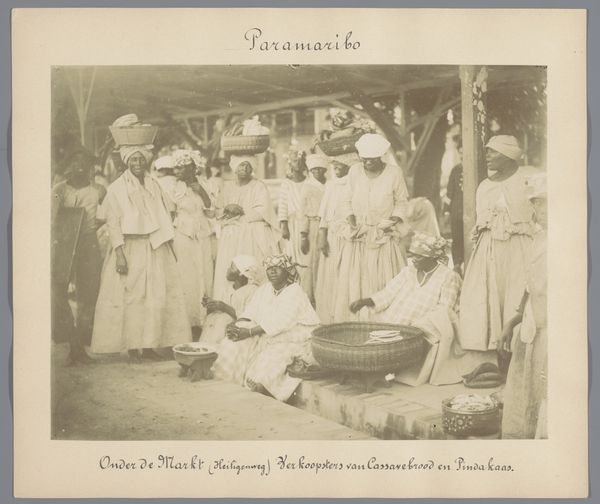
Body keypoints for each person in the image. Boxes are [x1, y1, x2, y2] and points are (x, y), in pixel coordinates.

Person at [91, 138, 192, 362]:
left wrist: (165, 233)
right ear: (127, 161)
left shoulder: (153, 184)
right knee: (133, 298)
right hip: (129, 247)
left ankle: (149, 346)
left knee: (154, 297)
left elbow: (168, 209)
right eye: (133, 159)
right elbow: (113, 222)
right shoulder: (117, 188)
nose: (137, 163)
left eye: (141, 159)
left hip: (154, 246)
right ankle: (133, 347)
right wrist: (119, 254)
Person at [458, 135, 538, 372]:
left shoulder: (527, 179)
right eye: (487, 151)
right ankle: (496, 358)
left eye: (492, 152)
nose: (488, 156)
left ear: (508, 155)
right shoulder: (485, 186)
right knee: (491, 298)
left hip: (519, 248)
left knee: (517, 296)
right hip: (490, 249)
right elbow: (481, 220)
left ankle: (518, 359)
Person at [349, 232, 464, 385]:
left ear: (432, 257)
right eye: (412, 254)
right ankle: (369, 366)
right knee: (373, 331)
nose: (413, 259)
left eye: (419, 256)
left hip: (423, 325)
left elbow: (444, 310)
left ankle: (382, 369)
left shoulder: (449, 276)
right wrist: (366, 301)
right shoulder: (408, 272)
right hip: (396, 318)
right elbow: (388, 293)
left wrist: (418, 326)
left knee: (399, 341)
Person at [221, 254, 320, 402]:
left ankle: (264, 386)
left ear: (286, 272)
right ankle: (228, 377)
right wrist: (237, 324)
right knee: (235, 342)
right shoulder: (265, 289)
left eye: (277, 268)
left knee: (276, 355)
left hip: (296, 335)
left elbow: (281, 322)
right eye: (269, 268)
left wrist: (248, 332)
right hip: (269, 333)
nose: (272, 271)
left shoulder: (295, 291)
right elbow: (251, 311)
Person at [337, 133, 410, 322]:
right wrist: (351, 220)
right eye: (364, 159)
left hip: (383, 235)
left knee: (383, 278)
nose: (368, 163)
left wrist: (392, 220)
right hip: (359, 236)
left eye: (372, 159)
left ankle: (383, 321)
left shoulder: (394, 173)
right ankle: (358, 321)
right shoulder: (354, 171)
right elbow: (345, 200)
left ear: (380, 157)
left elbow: (401, 202)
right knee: (357, 278)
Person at [500, 173, 547, 439]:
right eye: (536, 204)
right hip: (532, 326)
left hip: (551, 332)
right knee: (526, 387)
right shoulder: (539, 239)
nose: (539, 210)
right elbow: (530, 287)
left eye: (545, 203)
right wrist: (512, 321)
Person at [51, 147, 105, 364]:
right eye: (75, 162)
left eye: (84, 162)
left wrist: (94, 226)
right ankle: (71, 340)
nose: (79, 166)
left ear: (90, 167)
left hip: (88, 243)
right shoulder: (59, 190)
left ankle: (80, 345)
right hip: (63, 244)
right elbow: (51, 220)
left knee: (89, 294)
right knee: (57, 291)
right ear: (69, 166)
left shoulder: (99, 190)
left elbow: (109, 214)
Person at [213, 155, 280, 301]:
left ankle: (254, 302)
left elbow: (264, 211)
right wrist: (227, 208)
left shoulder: (258, 186)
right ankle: (227, 301)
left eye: (248, 166)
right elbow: (218, 211)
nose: (245, 168)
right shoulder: (227, 187)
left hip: (250, 234)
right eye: (242, 165)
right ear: (234, 167)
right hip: (230, 236)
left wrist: (241, 211)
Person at [166, 149, 214, 337]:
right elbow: (170, 213)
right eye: (176, 168)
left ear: (192, 168)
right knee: (186, 275)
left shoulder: (205, 183)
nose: (177, 171)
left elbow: (211, 210)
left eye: (181, 167)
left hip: (202, 232)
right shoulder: (173, 188)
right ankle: (187, 322)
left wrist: (201, 191)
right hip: (182, 233)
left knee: (204, 271)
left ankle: (204, 319)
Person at [314, 158, 350, 323]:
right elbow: (325, 213)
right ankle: (329, 316)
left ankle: (344, 314)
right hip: (332, 237)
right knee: (330, 274)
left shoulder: (355, 183)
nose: (335, 166)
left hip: (349, 236)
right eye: (334, 164)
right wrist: (322, 235)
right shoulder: (331, 185)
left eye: (339, 163)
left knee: (346, 273)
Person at [201, 255, 259, 347]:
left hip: (232, 329)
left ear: (241, 273)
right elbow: (216, 311)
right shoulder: (226, 288)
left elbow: (248, 318)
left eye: (232, 268)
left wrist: (224, 307)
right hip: (215, 326)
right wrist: (211, 305)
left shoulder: (252, 290)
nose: (228, 269)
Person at [297, 153, 328, 304]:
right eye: (314, 169)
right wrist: (304, 235)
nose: (318, 172)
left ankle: (324, 294)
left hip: (328, 226)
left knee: (326, 259)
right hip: (313, 225)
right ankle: (310, 296)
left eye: (320, 169)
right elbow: (302, 213)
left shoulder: (330, 185)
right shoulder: (307, 187)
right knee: (312, 260)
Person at [278, 147, 308, 279]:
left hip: (306, 222)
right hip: (292, 224)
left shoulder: (309, 182)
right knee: (292, 252)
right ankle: (294, 279)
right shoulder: (286, 184)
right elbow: (283, 205)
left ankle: (306, 279)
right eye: (295, 161)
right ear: (290, 163)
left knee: (306, 252)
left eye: (301, 161)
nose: (298, 164)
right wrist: (284, 226)